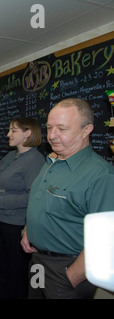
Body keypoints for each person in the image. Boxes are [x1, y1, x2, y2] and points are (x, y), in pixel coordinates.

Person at [21, 98, 114, 299]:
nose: (52, 136)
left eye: (62, 129)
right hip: (38, 261)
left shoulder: (101, 175)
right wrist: (29, 230)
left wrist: (70, 278)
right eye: (49, 127)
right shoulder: (51, 162)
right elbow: (44, 204)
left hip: (67, 270)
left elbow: (105, 242)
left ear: (86, 130)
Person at [0, 117, 45, 299]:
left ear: (28, 133)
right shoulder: (10, 156)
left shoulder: (35, 161)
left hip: (16, 227)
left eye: (13, 130)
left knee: (16, 276)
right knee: (0, 271)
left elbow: (32, 197)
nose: (8, 134)